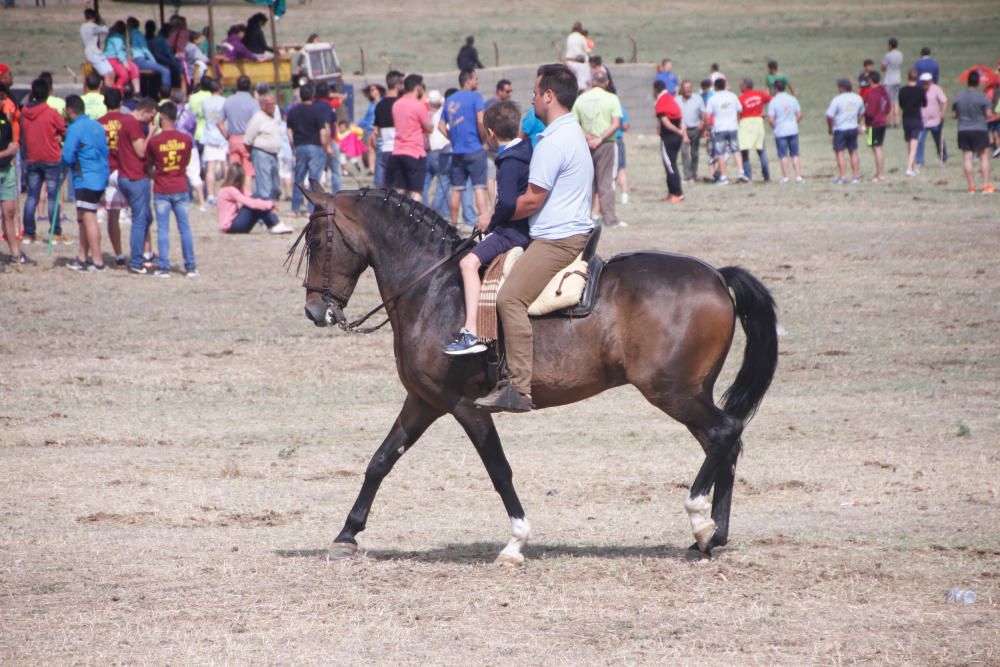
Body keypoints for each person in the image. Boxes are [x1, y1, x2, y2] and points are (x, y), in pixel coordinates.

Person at [476, 64, 594, 413]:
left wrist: (493, 217)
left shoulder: (553, 142)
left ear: (549, 96)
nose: (530, 98)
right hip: (566, 231)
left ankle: (519, 388)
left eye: (534, 91)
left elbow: (531, 201)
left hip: (557, 240)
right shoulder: (568, 132)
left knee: (509, 298)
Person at [443, 100, 532, 355]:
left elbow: (506, 203)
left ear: (490, 133)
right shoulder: (526, 150)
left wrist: (489, 221)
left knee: (467, 263)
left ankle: (471, 331)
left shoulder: (508, 160)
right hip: (519, 227)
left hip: (512, 232)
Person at [145, 101, 195, 277]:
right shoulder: (186, 139)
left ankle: (164, 267)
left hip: (162, 188)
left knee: (163, 229)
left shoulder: (155, 142)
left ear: (162, 118)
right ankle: (190, 266)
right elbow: (186, 161)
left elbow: (148, 163)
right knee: (185, 228)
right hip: (180, 186)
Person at [60, 95, 109, 271]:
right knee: (82, 217)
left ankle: (97, 261)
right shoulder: (97, 126)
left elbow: (66, 156)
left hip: (86, 178)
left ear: (70, 111)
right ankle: (82, 257)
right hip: (100, 176)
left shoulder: (75, 128)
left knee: (89, 218)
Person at [440, 69, 490, 227]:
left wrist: (452, 138)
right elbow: (481, 121)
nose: (477, 81)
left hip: (458, 152)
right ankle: (483, 223)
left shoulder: (450, 100)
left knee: (457, 189)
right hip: (475, 149)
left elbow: (441, 126)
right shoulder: (476, 97)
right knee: (479, 188)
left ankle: (453, 224)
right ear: (468, 80)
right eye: (475, 78)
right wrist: (484, 139)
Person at [20, 78, 67, 245]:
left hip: (32, 158)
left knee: (32, 197)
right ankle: (55, 232)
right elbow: (64, 130)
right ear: (48, 93)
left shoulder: (24, 113)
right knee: (52, 197)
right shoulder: (52, 113)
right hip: (51, 158)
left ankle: (28, 232)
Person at [573, 70, 623, 224]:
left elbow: (574, 123)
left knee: (588, 183)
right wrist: (600, 139)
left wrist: (589, 138)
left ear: (592, 82)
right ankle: (610, 218)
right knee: (606, 181)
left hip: (586, 144)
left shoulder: (581, 99)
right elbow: (616, 124)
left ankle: (584, 218)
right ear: (607, 82)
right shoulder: (612, 98)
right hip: (606, 144)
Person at [117, 97, 157, 274]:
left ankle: (146, 254)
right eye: (151, 117)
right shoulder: (133, 125)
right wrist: (151, 134)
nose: (152, 121)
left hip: (126, 175)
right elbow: (141, 151)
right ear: (145, 111)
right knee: (140, 221)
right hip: (135, 177)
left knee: (146, 217)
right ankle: (136, 261)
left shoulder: (125, 122)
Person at [387, 73, 432, 200]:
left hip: (398, 150)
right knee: (415, 191)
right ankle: (415, 218)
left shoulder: (396, 104)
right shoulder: (418, 105)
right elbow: (429, 128)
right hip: (414, 151)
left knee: (400, 190)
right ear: (417, 87)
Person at [286, 83, 329, 215]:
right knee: (314, 179)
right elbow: (322, 132)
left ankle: (295, 208)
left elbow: (288, 132)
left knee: (298, 178)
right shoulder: (317, 111)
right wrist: (324, 146)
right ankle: (312, 209)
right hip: (315, 146)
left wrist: (293, 145)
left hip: (300, 147)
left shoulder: (293, 111)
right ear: (312, 95)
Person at [97, 88, 128, 264]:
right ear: (121, 102)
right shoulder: (128, 121)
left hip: (107, 171)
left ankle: (118, 254)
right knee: (140, 213)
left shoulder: (98, 123)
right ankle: (146, 252)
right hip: (126, 170)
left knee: (112, 215)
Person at [217, 163, 291, 233]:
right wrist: (270, 204)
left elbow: (251, 196)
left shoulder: (233, 189)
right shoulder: (229, 190)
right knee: (256, 201)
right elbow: (249, 202)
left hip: (236, 225)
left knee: (257, 198)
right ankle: (275, 224)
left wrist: (266, 202)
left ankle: (274, 225)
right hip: (230, 226)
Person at [952, 70, 994, 193]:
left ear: (967, 82)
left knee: (967, 157)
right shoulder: (983, 97)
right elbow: (988, 114)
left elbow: (954, 115)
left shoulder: (959, 96)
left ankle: (971, 186)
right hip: (980, 129)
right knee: (983, 156)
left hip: (963, 129)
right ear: (978, 83)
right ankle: (985, 185)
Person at [0, 84, 27, 270]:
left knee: (9, 212)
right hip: (4, 162)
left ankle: (15, 253)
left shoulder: (5, 118)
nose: (4, 102)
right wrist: (6, 153)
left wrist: (10, 150)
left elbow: (12, 141)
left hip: (7, 169)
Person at [217, 75, 259, 194]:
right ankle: (247, 197)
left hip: (233, 139)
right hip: (247, 139)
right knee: (248, 171)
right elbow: (257, 122)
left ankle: (235, 196)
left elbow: (219, 123)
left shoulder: (228, 100)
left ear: (236, 86)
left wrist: (227, 137)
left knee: (235, 170)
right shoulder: (253, 103)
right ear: (249, 86)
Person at [703, 77, 744, 185]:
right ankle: (741, 172)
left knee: (720, 153)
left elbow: (707, 116)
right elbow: (740, 109)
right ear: (725, 85)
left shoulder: (712, 98)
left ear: (715, 87)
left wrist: (707, 128)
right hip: (733, 127)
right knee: (736, 150)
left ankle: (724, 177)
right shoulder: (733, 96)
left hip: (720, 128)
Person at [243, 93, 283, 201]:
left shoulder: (273, 117)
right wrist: (253, 154)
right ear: (263, 105)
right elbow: (247, 139)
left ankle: (271, 206)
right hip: (261, 153)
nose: (273, 106)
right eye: (270, 104)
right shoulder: (258, 118)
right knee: (264, 186)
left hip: (273, 154)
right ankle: (264, 210)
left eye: (274, 104)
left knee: (275, 186)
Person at [825, 78, 865, 184]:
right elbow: (861, 113)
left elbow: (829, 116)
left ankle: (843, 176)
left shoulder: (837, 99)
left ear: (842, 88)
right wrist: (857, 122)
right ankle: (856, 176)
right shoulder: (858, 98)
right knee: (853, 151)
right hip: (852, 128)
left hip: (840, 128)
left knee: (840, 152)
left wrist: (830, 127)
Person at [652, 80, 684, 202]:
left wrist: (677, 131)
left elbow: (665, 122)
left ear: (656, 90)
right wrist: (681, 132)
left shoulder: (661, 101)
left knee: (670, 166)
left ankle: (678, 193)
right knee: (671, 164)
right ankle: (671, 193)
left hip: (669, 137)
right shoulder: (671, 99)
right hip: (676, 138)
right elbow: (680, 118)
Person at [766, 79, 803, 183]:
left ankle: (786, 177)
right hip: (793, 129)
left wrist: (774, 126)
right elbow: (799, 114)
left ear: (775, 88)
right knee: (795, 154)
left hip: (780, 131)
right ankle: (798, 176)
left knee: (783, 155)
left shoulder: (773, 101)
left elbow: (771, 119)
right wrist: (794, 123)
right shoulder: (793, 99)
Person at [423, 89, 452, 218]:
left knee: (425, 184)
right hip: (442, 150)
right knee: (443, 184)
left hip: (430, 151)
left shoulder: (428, 114)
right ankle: (433, 211)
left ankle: (428, 208)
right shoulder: (443, 114)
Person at [371, 70, 403, 188]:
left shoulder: (380, 105)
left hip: (384, 149)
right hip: (399, 149)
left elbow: (376, 130)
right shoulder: (401, 104)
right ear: (398, 84)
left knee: (382, 189)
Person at [737, 78, 771, 182]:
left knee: (744, 151)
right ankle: (766, 175)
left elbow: (737, 112)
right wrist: (765, 113)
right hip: (758, 122)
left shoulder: (741, 98)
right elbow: (771, 100)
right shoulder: (760, 94)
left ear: (744, 86)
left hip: (745, 123)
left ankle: (748, 176)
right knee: (761, 149)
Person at [126, 17, 171, 92]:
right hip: (140, 60)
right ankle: (165, 93)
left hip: (133, 60)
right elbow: (145, 50)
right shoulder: (138, 35)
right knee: (165, 70)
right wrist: (153, 60)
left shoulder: (129, 34)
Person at [916, 72, 948, 167]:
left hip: (935, 120)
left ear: (930, 81)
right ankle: (919, 161)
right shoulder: (919, 90)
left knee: (939, 140)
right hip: (923, 121)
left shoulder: (936, 89)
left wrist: (943, 112)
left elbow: (944, 101)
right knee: (920, 140)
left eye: (926, 82)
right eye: (923, 82)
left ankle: (943, 158)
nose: (924, 84)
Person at [863, 71, 891, 182]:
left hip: (874, 124)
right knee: (875, 148)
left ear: (870, 80)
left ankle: (880, 174)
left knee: (876, 148)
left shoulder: (873, 93)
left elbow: (870, 111)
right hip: (882, 122)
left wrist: (865, 119)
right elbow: (888, 107)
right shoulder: (884, 91)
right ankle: (878, 173)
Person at [898, 68, 926, 176]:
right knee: (914, 145)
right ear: (917, 78)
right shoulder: (920, 90)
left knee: (910, 144)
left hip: (906, 119)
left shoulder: (902, 90)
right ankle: (909, 168)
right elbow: (924, 103)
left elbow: (901, 104)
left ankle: (913, 167)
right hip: (916, 118)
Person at [80, 8, 115, 90]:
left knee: (111, 71)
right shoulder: (92, 27)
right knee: (107, 73)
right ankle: (107, 91)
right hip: (93, 54)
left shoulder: (83, 27)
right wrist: (102, 20)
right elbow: (106, 30)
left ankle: (110, 88)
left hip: (96, 53)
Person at [678, 80, 705, 181]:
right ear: (682, 89)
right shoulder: (677, 100)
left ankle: (694, 173)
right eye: (685, 88)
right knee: (684, 152)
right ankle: (688, 174)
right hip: (682, 130)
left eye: (689, 87)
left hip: (695, 129)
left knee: (694, 153)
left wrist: (702, 125)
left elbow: (703, 113)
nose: (688, 90)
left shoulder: (698, 99)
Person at [103, 21, 140, 94]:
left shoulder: (118, 37)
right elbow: (118, 51)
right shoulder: (117, 38)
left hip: (120, 58)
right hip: (112, 58)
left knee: (134, 68)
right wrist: (124, 62)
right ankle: (117, 91)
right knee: (124, 75)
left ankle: (137, 92)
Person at [882, 37, 904, 127]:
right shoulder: (900, 54)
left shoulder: (888, 55)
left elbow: (883, 67)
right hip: (898, 79)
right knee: (896, 101)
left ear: (890, 45)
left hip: (889, 80)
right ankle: (897, 121)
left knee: (889, 101)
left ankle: (889, 122)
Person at [564, 22, 591, 91]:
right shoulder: (581, 37)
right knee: (582, 83)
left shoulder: (569, 37)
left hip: (568, 61)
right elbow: (587, 50)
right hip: (578, 62)